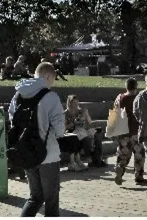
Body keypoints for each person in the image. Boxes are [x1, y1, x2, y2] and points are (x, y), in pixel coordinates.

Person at [9, 62, 65, 217]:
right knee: (51, 200)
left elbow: (12, 121)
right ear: (47, 76)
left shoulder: (18, 95)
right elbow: (60, 130)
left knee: (35, 197)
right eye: (52, 80)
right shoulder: (51, 96)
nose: (52, 84)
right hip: (48, 154)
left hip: (26, 151)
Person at [113, 77, 147, 186]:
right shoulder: (139, 98)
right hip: (137, 132)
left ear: (126, 87)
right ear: (136, 87)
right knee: (139, 155)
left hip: (124, 132)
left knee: (123, 154)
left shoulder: (120, 97)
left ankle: (120, 168)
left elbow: (115, 112)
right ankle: (139, 176)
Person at [60, 94, 104, 170]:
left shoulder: (81, 111)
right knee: (85, 137)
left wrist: (86, 114)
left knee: (97, 136)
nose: (76, 105)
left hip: (84, 130)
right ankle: (89, 157)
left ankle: (98, 158)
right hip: (73, 131)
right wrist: (72, 124)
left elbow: (90, 122)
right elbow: (64, 128)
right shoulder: (65, 113)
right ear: (69, 103)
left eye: (77, 103)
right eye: (74, 103)